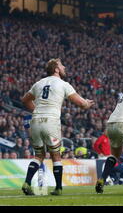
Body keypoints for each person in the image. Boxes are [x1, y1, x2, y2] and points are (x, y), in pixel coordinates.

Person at [21, 58, 95, 196]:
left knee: (39, 155)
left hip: (36, 121)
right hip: (51, 121)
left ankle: (27, 182)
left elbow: (25, 100)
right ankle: (59, 188)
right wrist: (87, 104)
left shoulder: (38, 83)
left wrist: (37, 111)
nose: (64, 67)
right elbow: (81, 104)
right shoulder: (63, 84)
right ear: (56, 69)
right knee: (56, 155)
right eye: (62, 65)